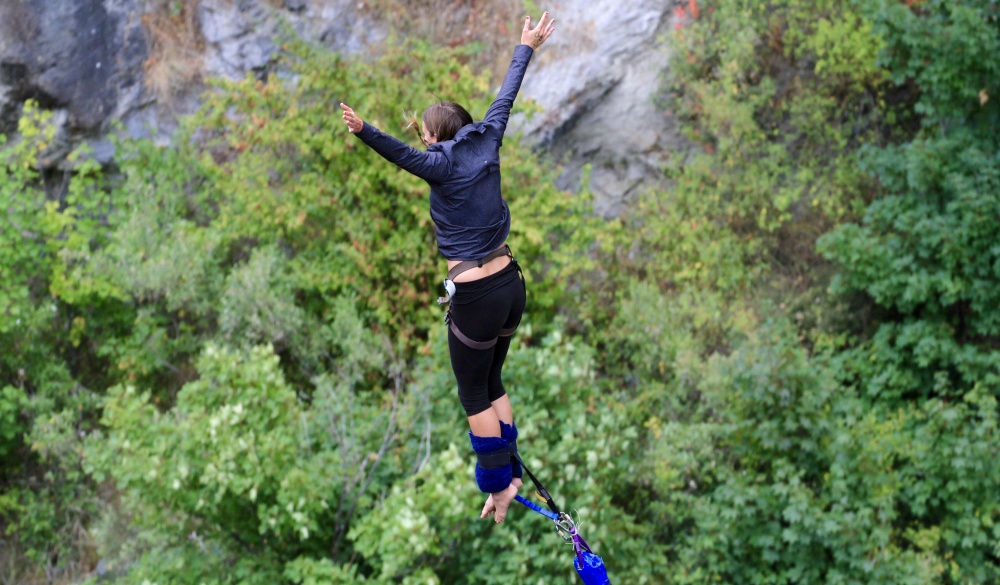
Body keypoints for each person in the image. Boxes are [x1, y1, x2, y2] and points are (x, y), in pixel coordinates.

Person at [340, 11, 556, 524]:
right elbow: (506, 95)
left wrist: (364, 129)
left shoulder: (437, 163)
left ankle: (498, 486)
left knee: (471, 391)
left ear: (435, 138)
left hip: (478, 297)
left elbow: (399, 154)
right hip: (511, 285)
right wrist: (526, 45)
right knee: (493, 380)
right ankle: (512, 470)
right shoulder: (489, 136)